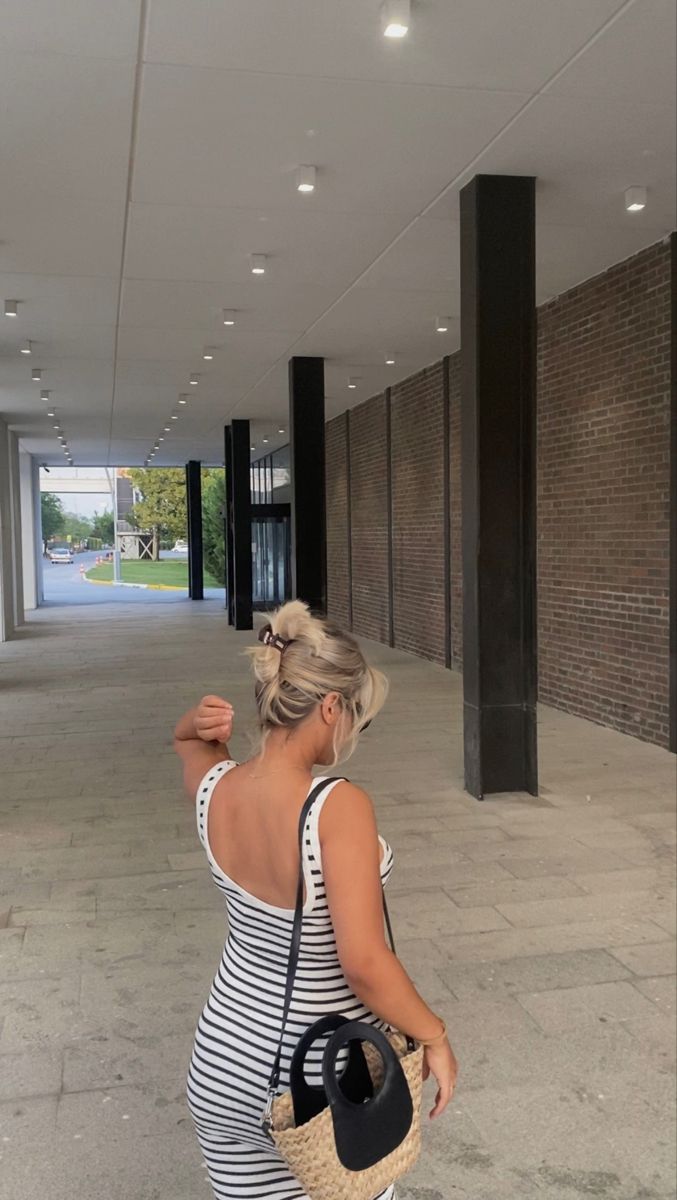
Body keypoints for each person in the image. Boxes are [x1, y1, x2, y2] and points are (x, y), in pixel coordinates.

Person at [173, 600, 458, 1200]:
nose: (353, 731)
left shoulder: (213, 785)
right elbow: (364, 963)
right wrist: (434, 1035)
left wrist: (197, 721)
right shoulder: (336, 806)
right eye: (357, 716)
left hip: (222, 1062)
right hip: (319, 1082)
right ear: (331, 707)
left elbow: (186, 740)